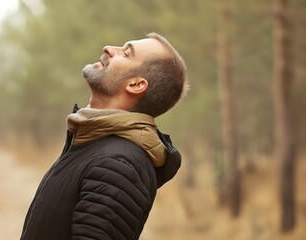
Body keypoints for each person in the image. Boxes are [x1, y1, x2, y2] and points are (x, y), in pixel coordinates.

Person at [20, 32, 188, 240]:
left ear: (136, 84)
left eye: (126, 53)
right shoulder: (95, 145)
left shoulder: (118, 165)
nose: (109, 48)